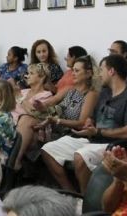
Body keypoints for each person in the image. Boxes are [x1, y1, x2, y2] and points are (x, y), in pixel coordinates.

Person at [47, 54, 127, 193]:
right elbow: (91, 118)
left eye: (101, 70)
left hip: (115, 146)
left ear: (111, 71)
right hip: (93, 139)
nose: (98, 74)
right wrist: (89, 123)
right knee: (49, 149)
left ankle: (86, 200)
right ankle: (72, 193)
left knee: (80, 156)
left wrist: (98, 132)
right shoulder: (104, 93)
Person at [39, 55, 100, 191]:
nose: (73, 73)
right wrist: (39, 105)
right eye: (73, 70)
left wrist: (59, 120)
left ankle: (69, 190)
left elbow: (81, 123)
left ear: (88, 74)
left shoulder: (91, 94)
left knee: (44, 147)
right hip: (61, 132)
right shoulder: (69, 90)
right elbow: (50, 102)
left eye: (77, 71)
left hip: (77, 135)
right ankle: (64, 188)